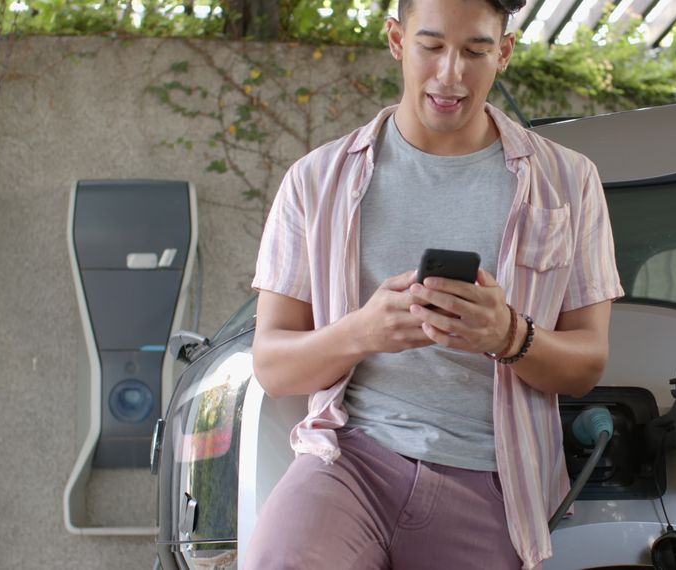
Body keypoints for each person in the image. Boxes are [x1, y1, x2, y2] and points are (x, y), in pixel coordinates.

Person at [245, 0, 623, 565]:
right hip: (350, 460)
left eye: (475, 51)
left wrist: (508, 335)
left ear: (505, 52)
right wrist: (363, 332)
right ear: (397, 41)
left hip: (495, 479)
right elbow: (272, 366)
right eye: (431, 46)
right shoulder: (316, 181)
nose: (451, 74)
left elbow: (587, 363)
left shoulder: (568, 182)